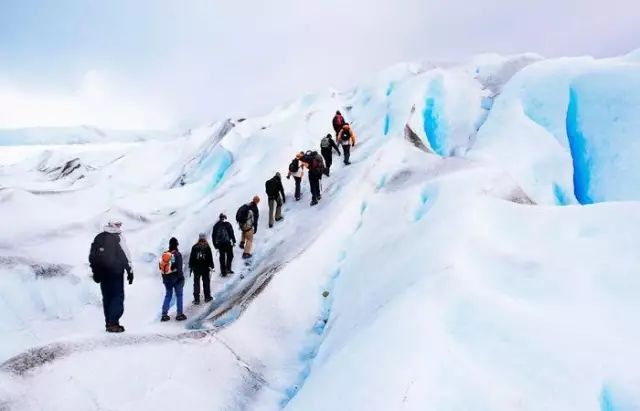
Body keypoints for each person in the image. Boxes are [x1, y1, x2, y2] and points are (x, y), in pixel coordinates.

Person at [89, 219, 134, 333]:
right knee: (117, 297)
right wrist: (129, 270)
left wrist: (96, 272)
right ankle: (113, 323)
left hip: (103, 274)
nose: (119, 226)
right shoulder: (117, 238)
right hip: (116, 273)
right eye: (118, 224)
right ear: (112, 225)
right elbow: (124, 255)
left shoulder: (99, 237)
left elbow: (92, 256)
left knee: (107, 298)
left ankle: (109, 322)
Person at [160, 237, 187, 322]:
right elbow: (179, 268)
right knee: (179, 295)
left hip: (167, 278)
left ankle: (164, 314)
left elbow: (161, 266)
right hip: (176, 279)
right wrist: (181, 278)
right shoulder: (177, 254)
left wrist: (164, 277)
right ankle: (179, 314)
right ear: (176, 244)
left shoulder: (166, 253)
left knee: (168, 295)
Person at [188, 233, 214, 304]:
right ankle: (207, 297)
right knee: (206, 282)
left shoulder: (194, 247)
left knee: (196, 283)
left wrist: (191, 266)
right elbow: (210, 258)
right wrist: (212, 266)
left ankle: (196, 299)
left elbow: (192, 258)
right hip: (205, 268)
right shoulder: (207, 247)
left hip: (196, 268)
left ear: (199, 238)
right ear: (205, 238)